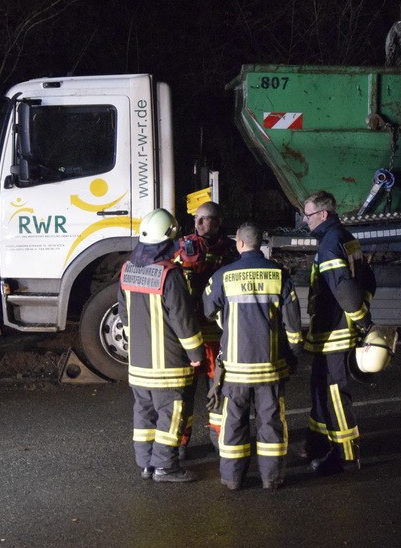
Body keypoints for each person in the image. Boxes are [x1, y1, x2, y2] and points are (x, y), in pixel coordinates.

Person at [203, 222, 302, 490]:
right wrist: (293, 355)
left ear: (239, 242)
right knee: (270, 423)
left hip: (235, 370)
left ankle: (232, 479)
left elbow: (208, 310)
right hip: (271, 367)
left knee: (233, 423)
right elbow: (293, 324)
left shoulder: (223, 276)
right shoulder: (280, 275)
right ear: (260, 243)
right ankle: (271, 478)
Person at [118, 208, 205, 482]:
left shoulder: (127, 270)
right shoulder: (170, 275)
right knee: (171, 413)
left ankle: (146, 464)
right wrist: (196, 354)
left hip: (139, 365)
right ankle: (166, 467)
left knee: (144, 413)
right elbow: (183, 319)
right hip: (168, 366)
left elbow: (124, 315)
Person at [300, 190, 376, 474]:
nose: (305, 221)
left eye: (308, 215)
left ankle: (345, 455)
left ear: (323, 214)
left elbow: (344, 291)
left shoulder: (330, 244)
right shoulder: (346, 238)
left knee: (333, 392)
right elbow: (368, 280)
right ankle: (317, 444)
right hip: (331, 332)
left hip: (335, 333)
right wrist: (362, 316)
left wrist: (360, 322)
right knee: (319, 388)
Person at [173, 200, 238, 456]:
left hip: (217, 334)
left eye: (205, 218)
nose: (198, 224)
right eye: (196, 218)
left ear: (218, 222)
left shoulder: (230, 251)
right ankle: (180, 443)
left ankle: (219, 439)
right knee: (184, 393)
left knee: (219, 389)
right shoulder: (183, 247)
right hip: (189, 334)